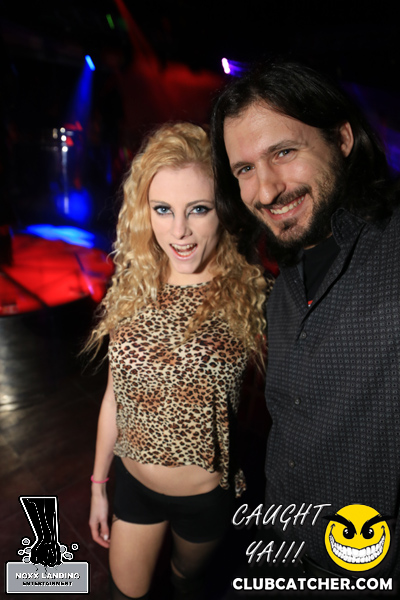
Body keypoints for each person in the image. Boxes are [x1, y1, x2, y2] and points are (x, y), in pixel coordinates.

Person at [210, 58, 400, 587]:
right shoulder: (283, 283)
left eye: (283, 153)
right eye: (244, 169)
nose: (266, 191)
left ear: (342, 138)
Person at [87, 122, 272, 600]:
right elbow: (113, 397)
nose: (180, 231)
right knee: (124, 594)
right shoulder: (133, 286)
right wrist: (98, 484)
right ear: (145, 211)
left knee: (186, 584)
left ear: (223, 209)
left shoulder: (249, 296)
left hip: (205, 500)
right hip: (133, 487)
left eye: (199, 209)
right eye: (163, 209)